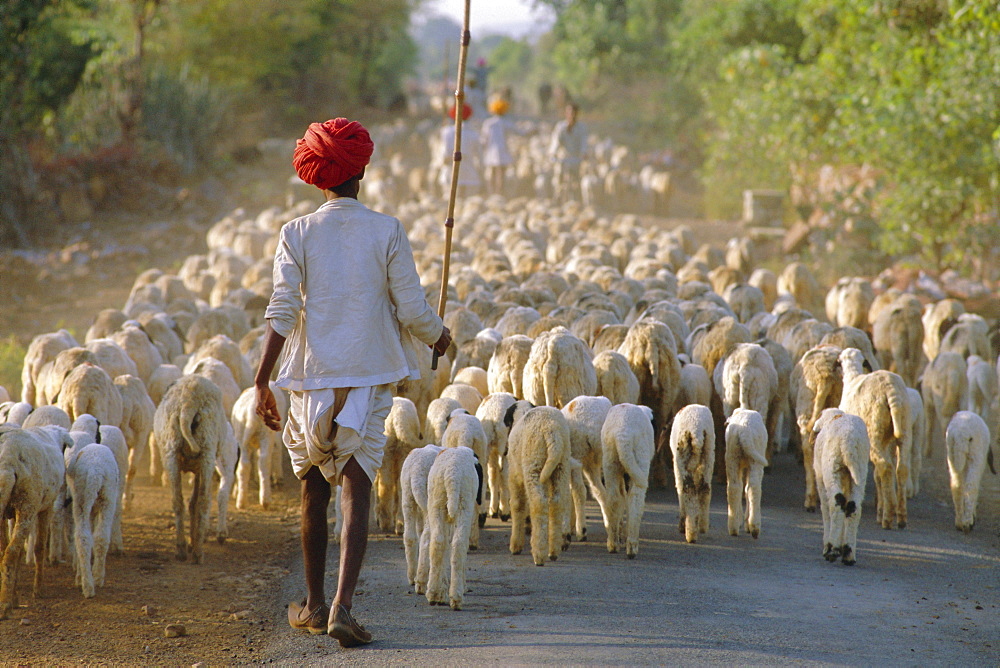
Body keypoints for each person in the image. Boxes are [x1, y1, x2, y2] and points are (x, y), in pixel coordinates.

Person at [255, 118, 451, 647]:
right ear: (361, 171)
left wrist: (261, 379)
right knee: (356, 488)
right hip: (367, 375)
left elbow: (282, 307)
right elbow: (411, 307)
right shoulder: (386, 229)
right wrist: (438, 336)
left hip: (310, 376)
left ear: (316, 178)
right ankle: (343, 606)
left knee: (313, 490)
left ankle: (315, 605)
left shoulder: (295, 233)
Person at [438, 103, 482, 198]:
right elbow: (479, 155)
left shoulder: (446, 132)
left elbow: (444, 153)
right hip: (468, 170)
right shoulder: (474, 134)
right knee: (468, 199)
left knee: (450, 198)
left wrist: (443, 163)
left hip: (451, 168)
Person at [548, 102, 588, 201]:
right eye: (569, 113)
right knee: (559, 176)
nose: (571, 115)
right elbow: (556, 141)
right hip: (563, 157)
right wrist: (553, 152)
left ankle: (577, 199)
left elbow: (584, 142)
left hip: (576, 158)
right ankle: (557, 196)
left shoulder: (582, 127)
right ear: (566, 114)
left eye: (573, 113)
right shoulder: (561, 127)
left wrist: (583, 153)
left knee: (576, 180)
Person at [480, 95, 515, 196]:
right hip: (503, 151)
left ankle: (492, 193)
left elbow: (483, 139)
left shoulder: (488, 123)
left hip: (491, 151)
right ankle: (500, 192)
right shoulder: (506, 123)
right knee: (501, 174)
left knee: (492, 173)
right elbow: (519, 131)